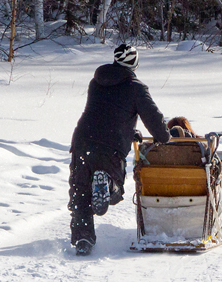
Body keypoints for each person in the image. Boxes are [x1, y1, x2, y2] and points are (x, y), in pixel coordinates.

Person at [68, 43, 171, 256]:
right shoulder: (136, 87)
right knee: (115, 192)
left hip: (82, 141)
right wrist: (163, 137)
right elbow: (152, 118)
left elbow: (105, 112)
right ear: (135, 63)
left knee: (81, 190)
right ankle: (107, 184)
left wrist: (129, 132)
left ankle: (83, 239)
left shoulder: (95, 82)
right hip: (110, 147)